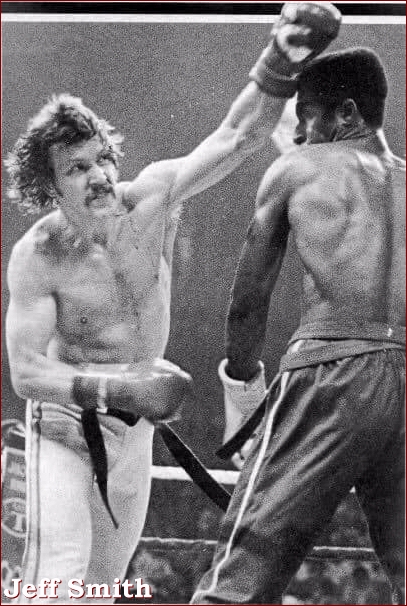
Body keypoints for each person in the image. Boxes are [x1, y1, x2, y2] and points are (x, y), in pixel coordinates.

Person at [4, 3, 341, 603]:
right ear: (49, 186)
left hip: (135, 433)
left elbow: (236, 137)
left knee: (103, 588)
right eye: (76, 168)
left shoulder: (153, 199)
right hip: (65, 428)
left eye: (102, 158)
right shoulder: (40, 254)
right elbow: (26, 371)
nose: (99, 175)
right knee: (56, 578)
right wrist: (115, 388)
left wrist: (281, 58)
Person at [190, 46, 406, 605]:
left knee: (240, 575)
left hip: (331, 372)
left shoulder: (296, 168)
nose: (301, 134)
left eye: (306, 115)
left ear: (347, 112)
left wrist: (242, 391)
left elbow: (249, 297)